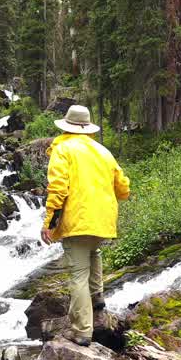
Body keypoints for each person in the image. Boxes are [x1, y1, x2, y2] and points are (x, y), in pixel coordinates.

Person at [39, 105, 131, 345]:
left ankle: (82, 331)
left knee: (78, 273)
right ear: (87, 127)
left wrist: (49, 223)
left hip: (77, 219)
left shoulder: (62, 150)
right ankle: (97, 298)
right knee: (94, 252)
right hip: (102, 220)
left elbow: (58, 188)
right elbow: (123, 189)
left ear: (67, 126)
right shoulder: (103, 151)